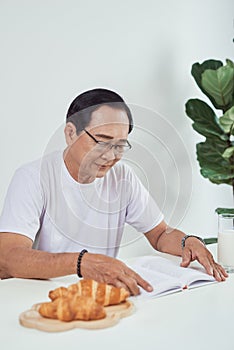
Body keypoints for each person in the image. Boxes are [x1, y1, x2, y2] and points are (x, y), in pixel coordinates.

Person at [0, 88, 227, 295]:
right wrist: (83, 263)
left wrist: (187, 241)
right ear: (70, 133)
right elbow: (8, 256)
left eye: (119, 146)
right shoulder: (33, 177)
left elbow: (159, 234)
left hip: (104, 297)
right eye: (101, 142)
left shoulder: (123, 177)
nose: (110, 156)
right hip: (44, 296)